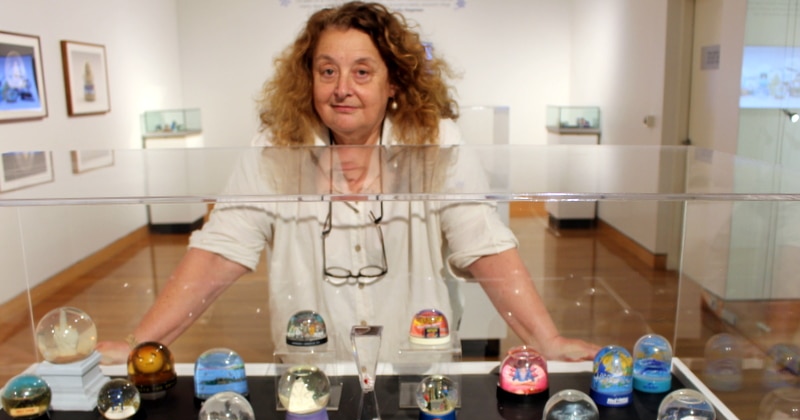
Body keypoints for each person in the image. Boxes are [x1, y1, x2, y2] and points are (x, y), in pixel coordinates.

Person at [98, 1, 598, 364]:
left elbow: (482, 242)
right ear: (308, 80)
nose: (342, 88)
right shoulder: (275, 147)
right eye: (327, 71)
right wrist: (141, 343)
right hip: (311, 370)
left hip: (416, 365)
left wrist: (546, 340)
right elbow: (219, 251)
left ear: (392, 81)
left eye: (362, 72)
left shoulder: (436, 140)